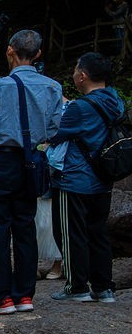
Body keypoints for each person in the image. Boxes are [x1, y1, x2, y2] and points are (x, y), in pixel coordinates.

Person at [0, 29, 64, 314]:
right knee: (25, 225)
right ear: (39, 54)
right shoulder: (53, 87)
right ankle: (24, 295)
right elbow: (54, 129)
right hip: (33, 161)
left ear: (10, 51)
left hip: (1, 161)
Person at [47, 52, 124, 302]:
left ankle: (77, 287)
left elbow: (54, 133)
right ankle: (103, 288)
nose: (73, 75)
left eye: (75, 71)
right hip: (104, 178)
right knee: (98, 233)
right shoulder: (115, 100)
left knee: (71, 234)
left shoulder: (80, 107)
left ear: (83, 76)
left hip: (75, 178)